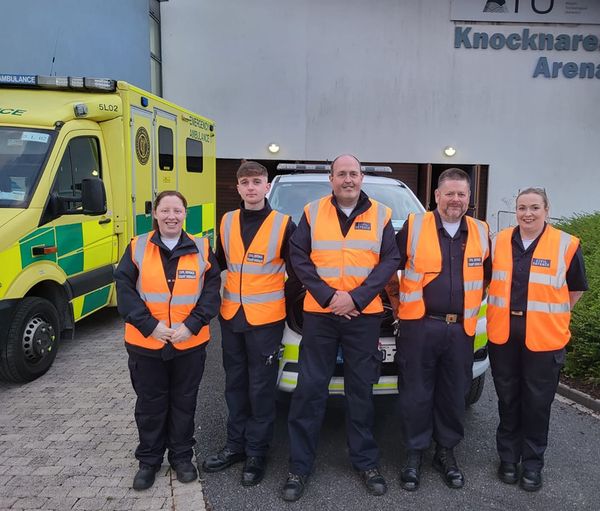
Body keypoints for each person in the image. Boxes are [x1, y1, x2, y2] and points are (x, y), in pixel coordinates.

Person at [281, 154, 400, 501]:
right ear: (331, 179)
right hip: (320, 315)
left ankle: (366, 462)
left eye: (353, 173)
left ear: (362, 178)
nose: (347, 179)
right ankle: (299, 467)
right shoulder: (312, 212)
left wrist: (357, 298)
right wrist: (330, 296)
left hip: (363, 316)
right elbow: (298, 256)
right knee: (309, 391)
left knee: (361, 392)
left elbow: (390, 261)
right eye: (341, 174)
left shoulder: (382, 215)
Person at [389, 167, 490, 491]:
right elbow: (389, 266)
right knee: (416, 393)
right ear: (436, 196)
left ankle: (445, 453)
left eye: (462, 194)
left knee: (454, 393)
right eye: (449, 193)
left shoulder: (480, 230)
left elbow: (487, 277)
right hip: (420, 326)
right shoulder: (414, 227)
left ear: (469, 198)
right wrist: (397, 304)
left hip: (460, 329)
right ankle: (415, 454)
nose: (455, 200)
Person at [115, 190, 221, 491]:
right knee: (150, 404)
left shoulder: (202, 247)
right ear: (156, 215)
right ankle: (149, 461)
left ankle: (181, 457)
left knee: (184, 403)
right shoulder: (137, 247)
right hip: (147, 344)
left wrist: (192, 325)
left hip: (189, 343)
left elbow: (212, 291)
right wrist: (151, 326)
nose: (171, 216)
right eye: (166, 210)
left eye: (177, 210)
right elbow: (124, 290)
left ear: (185, 214)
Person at [202, 161, 297, 486]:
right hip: (231, 318)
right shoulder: (227, 222)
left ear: (267, 186)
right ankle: (235, 446)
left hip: (266, 322)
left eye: (257, 182)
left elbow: (298, 275)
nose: (252, 187)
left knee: (260, 390)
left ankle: (257, 453)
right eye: (246, 182)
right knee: (235, 385)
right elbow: (218, 265)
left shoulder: (284, 225)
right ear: (238, 188)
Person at [486, 187, 588, 492]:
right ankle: (507, 458)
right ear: (515, 211)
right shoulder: (499, 241)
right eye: (521, 208)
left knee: (537, 404)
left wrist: (552, 315)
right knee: (507, 400)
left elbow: (576, 289)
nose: (527, 214)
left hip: (544, 340)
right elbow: (489, 280)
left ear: (546, 210)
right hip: (504, 337)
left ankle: (531, 464)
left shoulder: (566, 245)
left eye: (534, 208)